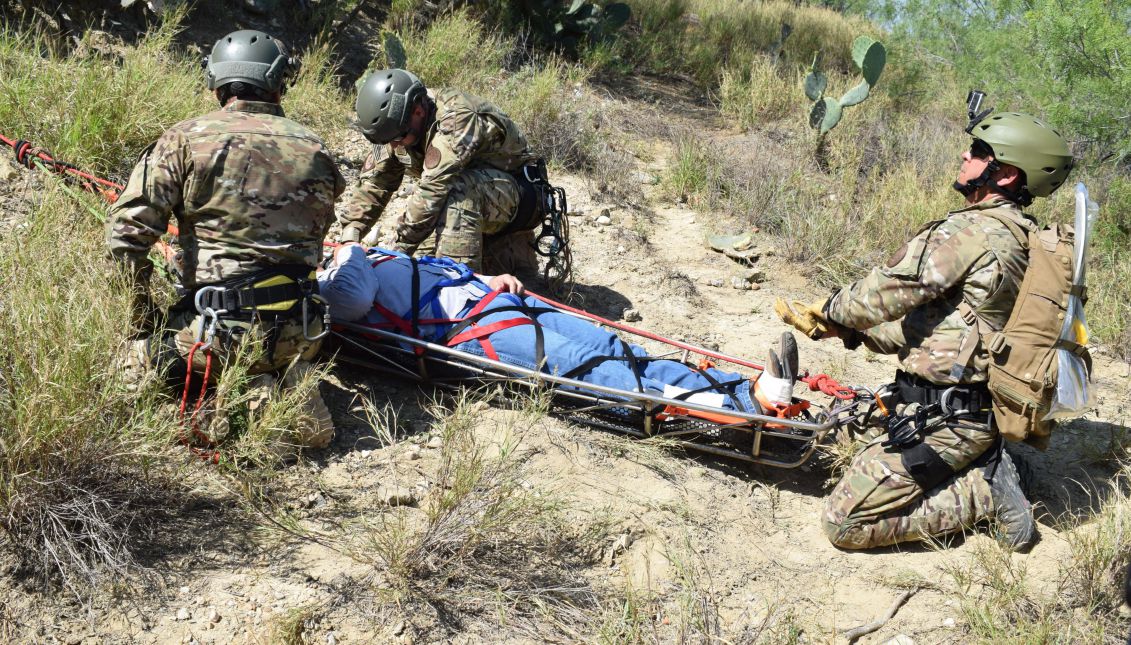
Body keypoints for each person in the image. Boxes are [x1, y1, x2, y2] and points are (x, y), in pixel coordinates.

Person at [776, 110, 1074, 550]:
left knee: (845, 524)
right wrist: (847, 333)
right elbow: (943, 332)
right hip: (956, 410)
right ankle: (994, 462)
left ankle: (985, 493)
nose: (965, 154)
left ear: (1006, 174)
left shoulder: (974, 232)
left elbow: (886, 292)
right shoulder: (1023, 236)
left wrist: (832, 309)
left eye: (978, 151)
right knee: (838, 436)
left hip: (951, 421)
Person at [107, 29, 345, 449]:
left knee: (123, 371)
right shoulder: (316, 148)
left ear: (215, 82)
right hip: (304, 330)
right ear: (278, 82)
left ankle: (238, 396)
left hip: (219, 332)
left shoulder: (185, 138)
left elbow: (126, 237)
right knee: (264, 338)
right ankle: (278, 379)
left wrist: (141, 323)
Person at [320, 243, 797, 413]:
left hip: (497, 300)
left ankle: (742, 387)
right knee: (594, 372)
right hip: (472, 332)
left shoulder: (364, 256)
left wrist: (490, 278)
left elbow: (435, 274)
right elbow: (355, 297)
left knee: (614, 346)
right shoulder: (332, 281)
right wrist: (350, 245)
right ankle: (739, 409)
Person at [337, 68, 547, 275]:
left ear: (418, 112)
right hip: (479, 192)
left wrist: (397, 250)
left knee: (457, 189)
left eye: (397, 139)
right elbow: (376, 182)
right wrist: (350, 235)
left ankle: (463, 291)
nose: (393, 146)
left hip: (523, 196)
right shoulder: (397, 125)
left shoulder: (457, 118)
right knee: (417, 268)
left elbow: (432, 191)